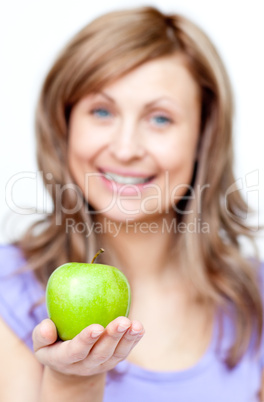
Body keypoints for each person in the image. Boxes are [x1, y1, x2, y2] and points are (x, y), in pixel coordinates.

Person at [0, 5, 263, 401]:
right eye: (101, 111)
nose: (125, 149)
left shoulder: (254, 299)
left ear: (202, 139)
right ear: (65, 125)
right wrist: (74, 379)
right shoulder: (8, 290)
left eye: (160, 119)